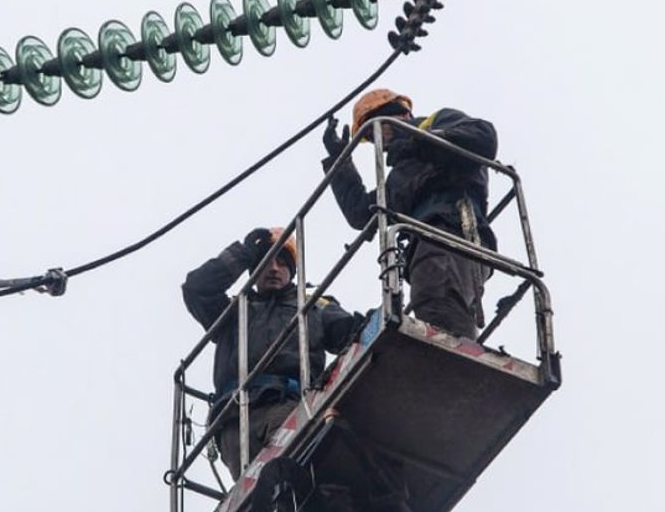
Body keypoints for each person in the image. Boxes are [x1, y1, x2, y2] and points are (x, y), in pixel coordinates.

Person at [182, 227, 361, 478]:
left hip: (285, 405)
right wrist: (243, 254)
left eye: (282, 262)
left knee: (285, 477)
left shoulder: (312, 304)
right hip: (234, 418)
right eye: (266, 262)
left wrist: (368, 325)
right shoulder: (236, 311)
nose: (274, 268)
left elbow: (347, 332)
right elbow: (196, 289)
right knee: (259, 497)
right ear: (255, 272)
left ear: (292, 271)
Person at [321, 89, 498, 339]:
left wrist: (419, 142)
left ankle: (453, 367)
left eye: (377, 130)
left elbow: (485, 138)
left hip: (451, 229)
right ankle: (449, 366)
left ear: (400, 115)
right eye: (371, 138)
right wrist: (340, 161)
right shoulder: (401, 173)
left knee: (438, 302)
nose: (378, 143)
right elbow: (362, 214)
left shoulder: (437, 123)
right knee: (432, 305)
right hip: (428, 243)